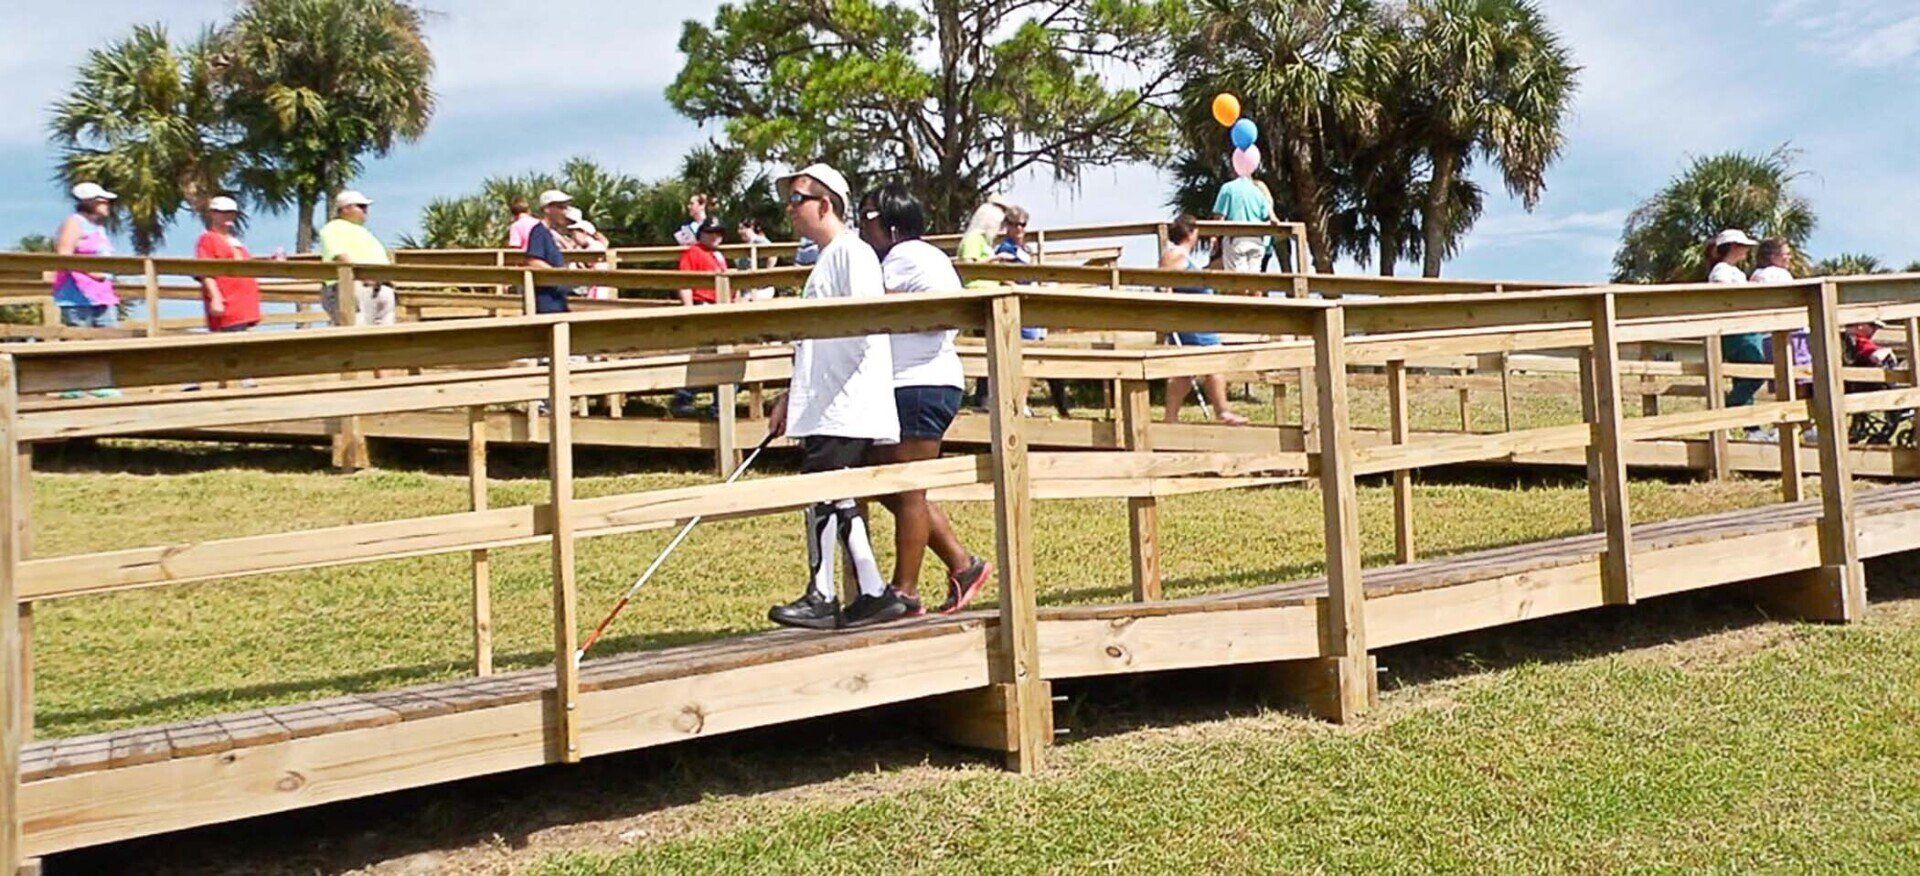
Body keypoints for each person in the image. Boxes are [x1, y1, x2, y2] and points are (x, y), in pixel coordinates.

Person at [765, 163, 904, 630]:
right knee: (838, 495)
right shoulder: (826, 260)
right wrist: (792, 394)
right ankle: (872, 591)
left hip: (844, 403)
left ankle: (823, 594)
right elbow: (812, 341)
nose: (790, 208)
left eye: (798, 199)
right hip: (826, 402)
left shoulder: (852, 253)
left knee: (824, 494)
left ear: (826, 204)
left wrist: (821, 392)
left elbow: (865, 323)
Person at [857, 183, 995, 616]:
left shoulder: (903, 257)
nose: (862, 225)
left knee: (906, 488)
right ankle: (962, 564)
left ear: (892, 224)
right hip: (922, 382)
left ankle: (905, 590)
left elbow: (867, 307)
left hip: (916, 383)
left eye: (868, 216)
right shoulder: (927, 255)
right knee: (885, 480)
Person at [1161, 214, 1249, 425]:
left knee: (1185, 372)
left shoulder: (1183, 256)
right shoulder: (1175, 256)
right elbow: (1164, 282)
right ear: (1191, 233)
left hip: (1195, 321)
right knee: (1215, 360)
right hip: (1191, 322)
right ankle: (1222, 411)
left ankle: (1170, 418)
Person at [992, 204, 1073, 417]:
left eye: (1023, 224)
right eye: (1014, 224)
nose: (1019, 228)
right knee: (1025, 355)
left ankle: (1025, 401)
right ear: (1007, 226)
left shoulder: (1026, 250)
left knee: (1033, 353)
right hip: (1019, 305)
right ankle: (1020, 402)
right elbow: (1001, 274)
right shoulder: (1006, 249)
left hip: (1032, 305)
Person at [671, 217, 730, 416]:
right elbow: (685, 282)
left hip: (720, 308)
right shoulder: (693, 252)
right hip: (703, 307)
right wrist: (690, 310)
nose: (715, 237)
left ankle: (717, 403)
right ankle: (684, 397)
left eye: (719, 233)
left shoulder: (718, 255)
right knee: (708, 355)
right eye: (710, 232)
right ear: (701, 234)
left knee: (721, 354)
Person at [317, 190, 397, 325]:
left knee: (385, 338)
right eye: (361, 206)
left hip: (380, 287)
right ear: (346, 209)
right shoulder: (332, 228)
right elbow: (340, 256)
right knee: (358, 332)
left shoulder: (365, 232)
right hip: (354, 286)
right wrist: (364, 276)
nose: (365, 211)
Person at [1708, 229, 1766, 409]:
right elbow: (1724, 295)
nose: (1747, 250)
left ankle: (1751, 428)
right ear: (1734, 247)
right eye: (1744, 246)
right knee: (1756, 372)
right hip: (1736, 331)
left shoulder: (1735, 272)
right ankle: (1728, 407)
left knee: (1744, 375)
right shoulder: (1721, 271)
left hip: (1745, 328)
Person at [51, 182, 120, 329]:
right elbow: (64, 255)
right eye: (103, 202)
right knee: (81, 342)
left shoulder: (98, 227)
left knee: (111, 342)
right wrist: (92, 272)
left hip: (102, 295)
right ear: (91, 203)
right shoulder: (74, 223)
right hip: (78, 296)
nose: (108, 205)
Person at [193, 196, 263, 333]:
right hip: (228, 307)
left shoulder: (236, 242)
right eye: (223, 212)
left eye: (231, 212)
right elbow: (206, 272)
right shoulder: (208, 239)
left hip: (244, 308)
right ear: (213, 214)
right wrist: (216, 298)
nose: (228, 216)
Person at [522, 189, 577, 313]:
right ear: (547, 209)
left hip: (556, 301)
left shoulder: (549, 233)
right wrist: (558, 274)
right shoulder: (539, 232)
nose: (565, 212)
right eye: (561, 207)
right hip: (547, 303)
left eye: (566, 207)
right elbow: (533, 261)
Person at [1211, 171, 1273, 273]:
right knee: (1254, 281)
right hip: (1258, 241)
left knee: (1237, 280)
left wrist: (1214, 236)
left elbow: (1219, 217)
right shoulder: (1258, 189)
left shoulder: (1228, 188)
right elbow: (1269, 215)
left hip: (1235, 239)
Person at [736, 217, 777, 301]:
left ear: (750, 228)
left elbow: (773, 254)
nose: (739, 232)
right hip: (749, 289)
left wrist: (767, 271)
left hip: (760, 289)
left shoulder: (759, 240)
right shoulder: (747, 244)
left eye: (742, 228)